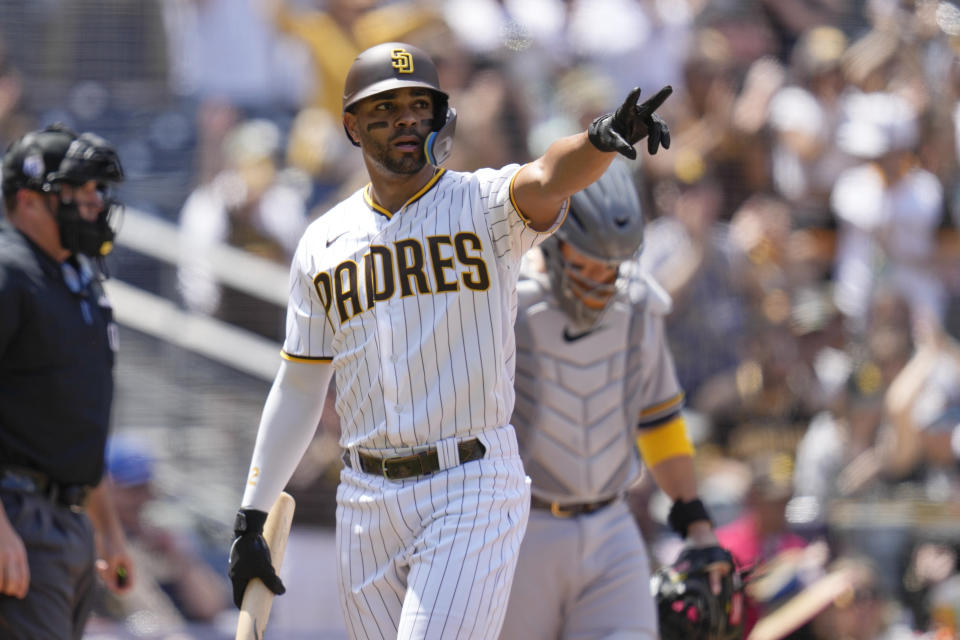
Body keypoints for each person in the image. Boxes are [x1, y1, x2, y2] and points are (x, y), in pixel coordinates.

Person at [227, 41, 672, 639]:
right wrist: (252, 515)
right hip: (363, 497)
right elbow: (302, 384)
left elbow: (547, 175)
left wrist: (596, 141)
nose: (406, 121)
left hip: (469, 481)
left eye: (419, 107)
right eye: (385, 110)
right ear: (352, 126)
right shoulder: (322, 242)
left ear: (441, 117)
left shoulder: (485, 204)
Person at [498, 159, 730, 639]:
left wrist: (696, 522)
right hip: (521, 532)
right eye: (589, 264)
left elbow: (660, 421)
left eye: (613, 265)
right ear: (557, 242)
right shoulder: (506, 307)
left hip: (611, 526)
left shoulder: (637, 305)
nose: (603, 280)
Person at [0, 123, 133, 638]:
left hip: (68, 521)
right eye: (77, 192)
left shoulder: (78, 282)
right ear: (30, 201)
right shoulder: (9, 272)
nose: (95, 203)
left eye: (97, 190)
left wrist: (110, 533)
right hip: (17, 515)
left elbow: (76, 426)